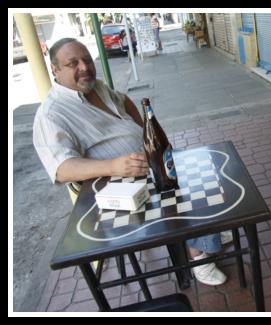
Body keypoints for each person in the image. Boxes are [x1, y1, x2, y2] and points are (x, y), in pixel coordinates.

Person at [33, 38, 230, 286]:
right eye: (72, 63)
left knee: (200, 171)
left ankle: (205, 232)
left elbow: (123, 99)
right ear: (55, 70)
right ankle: (197, 255)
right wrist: (112, 166)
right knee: (181, 187)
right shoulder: (52, 114)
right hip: (120, 185)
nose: (84, 67)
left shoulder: (97, 88)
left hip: (147, 163)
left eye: (86, 59)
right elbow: (61, 169)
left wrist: (142, 128)